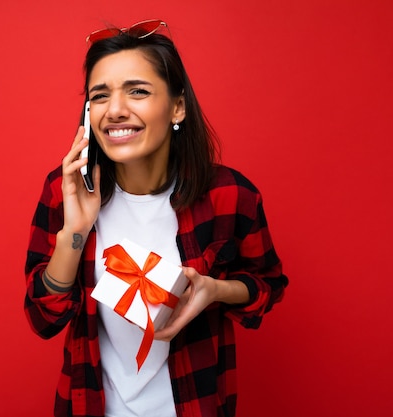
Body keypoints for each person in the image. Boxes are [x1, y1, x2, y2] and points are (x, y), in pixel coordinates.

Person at [24, 19, 288, 417]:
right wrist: (75, 233)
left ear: (177, 106)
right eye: (100, 96)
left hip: (193, 406)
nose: (114, 110)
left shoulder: (230, 195)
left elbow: (267, 285)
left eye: (138, 91)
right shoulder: (66, 190)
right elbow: (43, 318)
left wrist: (214, 291)